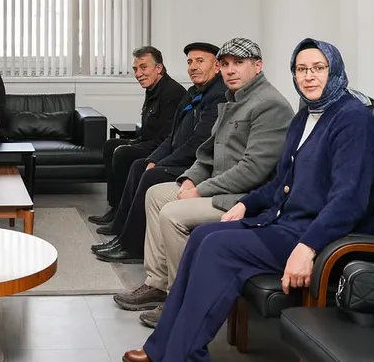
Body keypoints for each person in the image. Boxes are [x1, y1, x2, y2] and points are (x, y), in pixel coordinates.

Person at [122, 38, 374, 362]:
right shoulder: (306, 116)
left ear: (335, 70)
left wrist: (308, 247)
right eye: (301, 69)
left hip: (324, 236)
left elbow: (349, 200)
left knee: (218, 249)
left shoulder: (353, 120)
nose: (309, 76)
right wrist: (247, 204)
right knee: (203, 237)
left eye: (318, 68)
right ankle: (162, 345)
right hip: (286, 221)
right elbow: (281, 182)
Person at [117, 38, 294, 326]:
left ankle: (182, 299)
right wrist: (190, 179)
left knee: (172, 214)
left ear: (258, 66)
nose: (230, 70)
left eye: (239, 63)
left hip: (242, 198)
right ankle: (157, 283)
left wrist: (200, 190)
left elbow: (254, 170)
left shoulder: (270, 105)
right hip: (217, 187)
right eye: (225, 64)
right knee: (156, 194)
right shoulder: (233, 99)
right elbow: (207, 152)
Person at [93, 42, 227, 263]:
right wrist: (155, 158)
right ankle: (123, 236)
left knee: (149, 173)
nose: (193, 67)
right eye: (190, 62)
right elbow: (172, 136)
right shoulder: (193, 93)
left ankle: (132, 247)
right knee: (142, 165)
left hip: (196, 165)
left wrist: (162, 162)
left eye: (200, 61)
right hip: (179, 157)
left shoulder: (218, 96)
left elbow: (199, 143)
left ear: (217, 66)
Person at [88, 46, 186, 230]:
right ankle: (115, 207)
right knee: (110, 145)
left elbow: (167, 137)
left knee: (123, 153)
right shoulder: (153, 88)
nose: (138, 74)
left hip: (160, 148)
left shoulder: (172, 93)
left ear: (158, 68)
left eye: (143, 67)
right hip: (147, 141)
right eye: (135, 69)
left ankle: (121, 217)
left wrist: (138, 146)